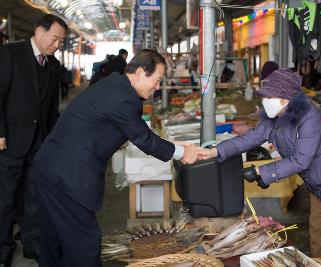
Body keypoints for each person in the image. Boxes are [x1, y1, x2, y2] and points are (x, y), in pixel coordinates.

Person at [33, 49, 201, 266]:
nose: (157, 87)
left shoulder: (115, 85)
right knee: (84, 245)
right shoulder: (123, 98)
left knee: (54, 240)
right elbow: (144, 139)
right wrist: (181, 153)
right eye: (157, 80)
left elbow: (124, 130)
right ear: (140, 73)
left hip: (51, 166)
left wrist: (175, 145)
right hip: (68, 175)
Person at [198, 68, 321, 264]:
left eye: (270, 96)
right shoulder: (274, 117)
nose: (265, 100)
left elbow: (301, 160)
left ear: (287, 98)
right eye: (265, 96)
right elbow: (251, 138)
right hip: (318, 179)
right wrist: (216, 151)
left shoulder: (309, 118)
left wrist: (263, 171)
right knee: (317, 229)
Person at [0, 14, 67, 266]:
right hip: (9, 143)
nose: (57, 44)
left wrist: (52, 142)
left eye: (61, 41)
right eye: (55, 38)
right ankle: (3, 251)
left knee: (34, 198)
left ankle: (32, 243)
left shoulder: (53, 65)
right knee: (5, 201)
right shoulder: (10, 54)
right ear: (40, 30)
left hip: (38, 145)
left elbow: (51, 109)